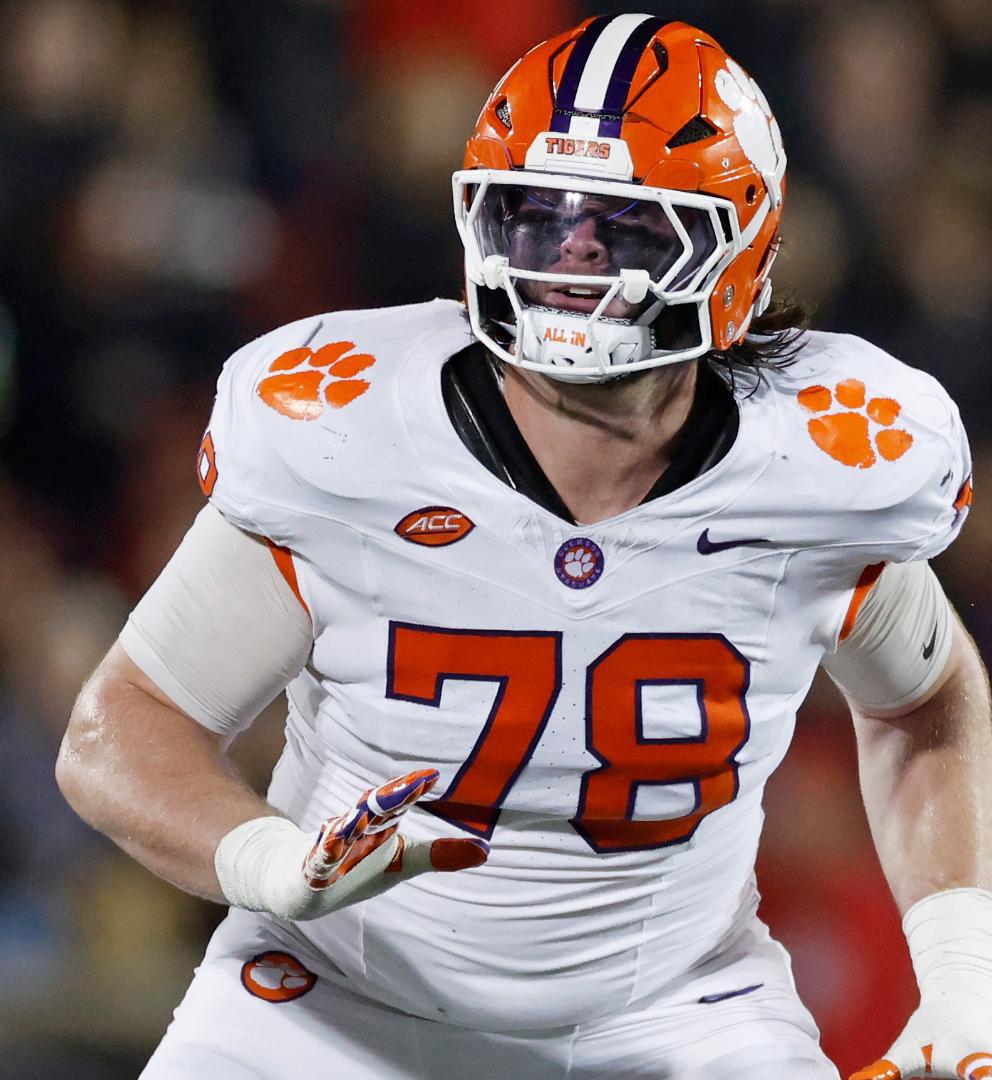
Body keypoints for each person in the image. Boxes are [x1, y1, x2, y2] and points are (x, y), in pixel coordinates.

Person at [57, 15, 991, 1080]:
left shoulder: (816, 464)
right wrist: (267, 858)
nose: (573, 254)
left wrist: (963, 978)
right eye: (536, 217)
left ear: (741, 250)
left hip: (670, 1015)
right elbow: (122, 727)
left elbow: (926, 701)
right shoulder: (349, 436)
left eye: (627, 227)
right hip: (329, 1004)